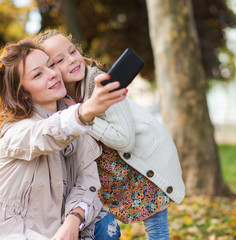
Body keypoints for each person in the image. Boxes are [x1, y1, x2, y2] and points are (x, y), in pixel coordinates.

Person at [0, 39, 127, 240]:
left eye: (51, 65)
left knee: (106, 226)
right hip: (8, 231)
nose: (52, 74)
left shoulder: (75, 121)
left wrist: (73, 220)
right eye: (38, 74)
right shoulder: (14, 129)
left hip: (57, 228)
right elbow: (44, 135)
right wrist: (85, 111)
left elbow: (88, 180)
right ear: (23, 93)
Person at [35, 29, 186, 240]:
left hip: (141, 166)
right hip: (108, 177)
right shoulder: (59, 99)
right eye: (60, 59)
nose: (71, 60)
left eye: (72, 52)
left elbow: (124, 140)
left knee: (157, 231)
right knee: (104, 227)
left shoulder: (100, 82)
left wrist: (86, 114)